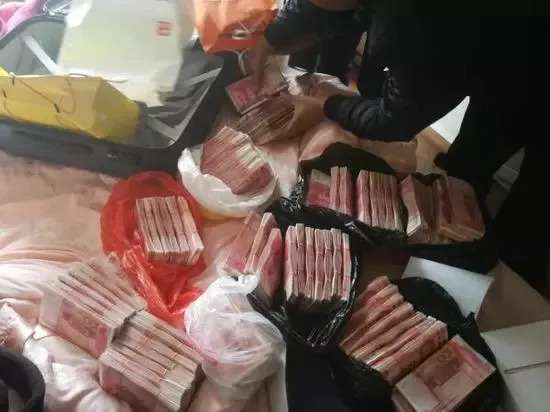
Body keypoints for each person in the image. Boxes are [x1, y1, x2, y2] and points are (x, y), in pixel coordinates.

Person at [251, 0, 549, 291]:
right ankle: (462, 224)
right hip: (506, 46)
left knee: (531, 211)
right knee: (470, 161)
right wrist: (269, 41)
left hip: (533, 54)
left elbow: (394, 120)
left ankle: (521, 282)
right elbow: (320, 7)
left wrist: (326, 105)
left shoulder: (414, 22)